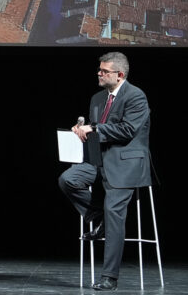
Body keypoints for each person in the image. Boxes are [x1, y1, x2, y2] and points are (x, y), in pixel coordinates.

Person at [59, 52, 151, 292]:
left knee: (114, 210)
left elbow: (127, 130)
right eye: (99, 70)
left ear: (119, 75)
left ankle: (109, 277)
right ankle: (98, 217)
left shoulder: (136, 96)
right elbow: (95, 131)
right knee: (68, 179)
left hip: (125, 165)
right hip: (98, 162)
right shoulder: (97, 98)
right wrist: (81, 130)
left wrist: (95, 127)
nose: (99, 74)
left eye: (104, 71)